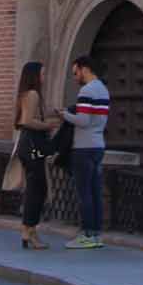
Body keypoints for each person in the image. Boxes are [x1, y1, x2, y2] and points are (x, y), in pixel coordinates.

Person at [3, 60, 56, 249]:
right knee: (37, 189)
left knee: (35, 188)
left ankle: (30, 230)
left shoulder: (24, 94)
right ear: (34, 76)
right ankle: (28, 230)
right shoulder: (33, 94)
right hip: (33, 144)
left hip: (27, 144)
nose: (44, 78)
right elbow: (28, 121)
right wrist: (48, 125)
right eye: (42, 74)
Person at [64, 53, 111, 248]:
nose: (75, 78)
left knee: (84, 193)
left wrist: (64, 114)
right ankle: (96, 234)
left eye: (76, 73)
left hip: (83, 148)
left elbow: (83, 121)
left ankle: (87, 235)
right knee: (95, 192)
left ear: (85, 69)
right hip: (98, 145)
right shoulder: (103, 90)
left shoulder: (86, 91)